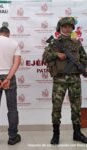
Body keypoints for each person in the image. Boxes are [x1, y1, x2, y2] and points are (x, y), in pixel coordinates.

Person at [42, 17, 87, 145]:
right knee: (56, 107)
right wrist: (56, 54)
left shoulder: (77, 43)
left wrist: (83, 68)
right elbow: (45, 57)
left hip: (74, 80)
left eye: (69, 26)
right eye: (64, 26)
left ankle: (77, 133)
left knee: (76, 107)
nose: (67, 29)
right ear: (60, 28)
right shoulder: (55, 43)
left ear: (72, 28)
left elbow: (84, 58)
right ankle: (56, 134)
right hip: (59, 80)